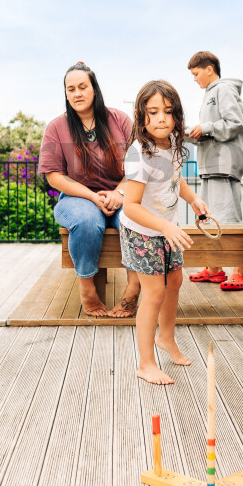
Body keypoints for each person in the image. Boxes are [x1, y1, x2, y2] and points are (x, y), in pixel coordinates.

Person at [120, 80, 209, 385]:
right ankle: (145, 363)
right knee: (154, 292)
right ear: (140, 115)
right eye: (153, 112)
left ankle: (166, 338)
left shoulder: (172, 144)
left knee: (175, 280)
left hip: (165, 229)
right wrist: (165, 226)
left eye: (168, 112)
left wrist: (194, 200)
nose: (161, 118)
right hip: (143, 231)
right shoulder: (139, 154)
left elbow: (175, 180)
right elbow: (130, 206)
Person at [39, 62, 140, 318]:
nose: (77, 93)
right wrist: (92, 196)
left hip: (121, 193)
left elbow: (139, 167)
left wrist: (119, 193)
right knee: (86, 221)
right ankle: (87, 289)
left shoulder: (120, 120)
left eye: (82, 87)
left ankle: (134, 287)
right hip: (76, 197)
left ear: (94, 88)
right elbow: (54, 177)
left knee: (134, 218)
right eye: (70, 89)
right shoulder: (56, 127)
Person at [187, 50, 243, 289]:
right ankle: (215, 269)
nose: (194, 79)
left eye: (196, 73)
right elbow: (213, 130)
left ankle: (240, 271)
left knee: (230, 220)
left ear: (209, 69)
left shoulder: (224, 89)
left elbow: (235, 124)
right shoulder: (209, 94)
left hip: (224, 166)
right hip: (211, 166)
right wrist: (195, 132)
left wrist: (206, 127)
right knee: (210, 217)